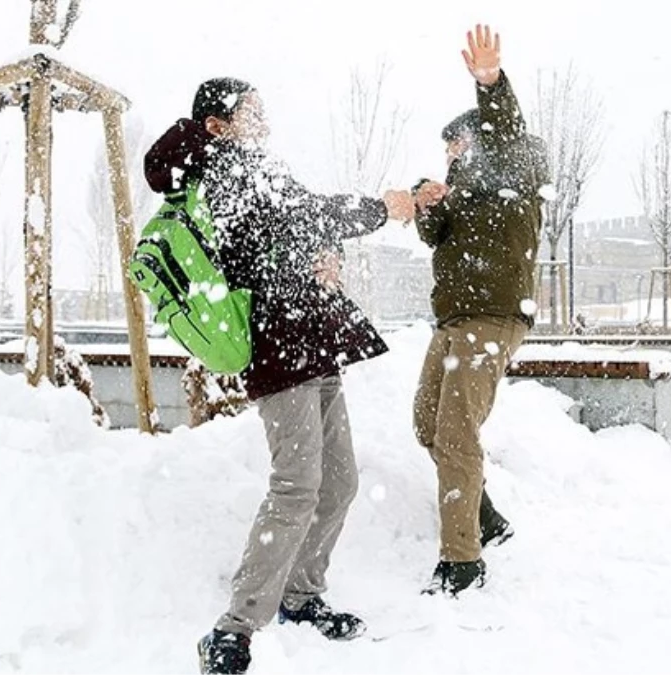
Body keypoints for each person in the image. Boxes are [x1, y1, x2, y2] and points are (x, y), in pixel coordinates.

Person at [144, 77, 416, 675]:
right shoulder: (223, 168)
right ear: (219, 124)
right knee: (297, 483)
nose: (264, 118)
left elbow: (297, 230)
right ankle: (233, 629)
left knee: (339, 480)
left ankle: (301, 595)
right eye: (251, 110)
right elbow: (305, 215)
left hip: (312, 339)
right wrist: (382, 209)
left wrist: (328, 257)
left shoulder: (253, 165)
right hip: (278, 343)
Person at [410, 25, 551, 596]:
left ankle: (462, 562)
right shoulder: (460, 194)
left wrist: (490, 83)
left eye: (458, 145)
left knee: (456, 433)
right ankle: (484, 515)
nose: (452, 155)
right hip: (454, 321)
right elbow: (433, 235)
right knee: (427, 422)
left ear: (481, 139)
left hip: (492, 318)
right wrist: (426, 200)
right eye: (447, 149)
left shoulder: (515, 169)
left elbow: (507, 132)